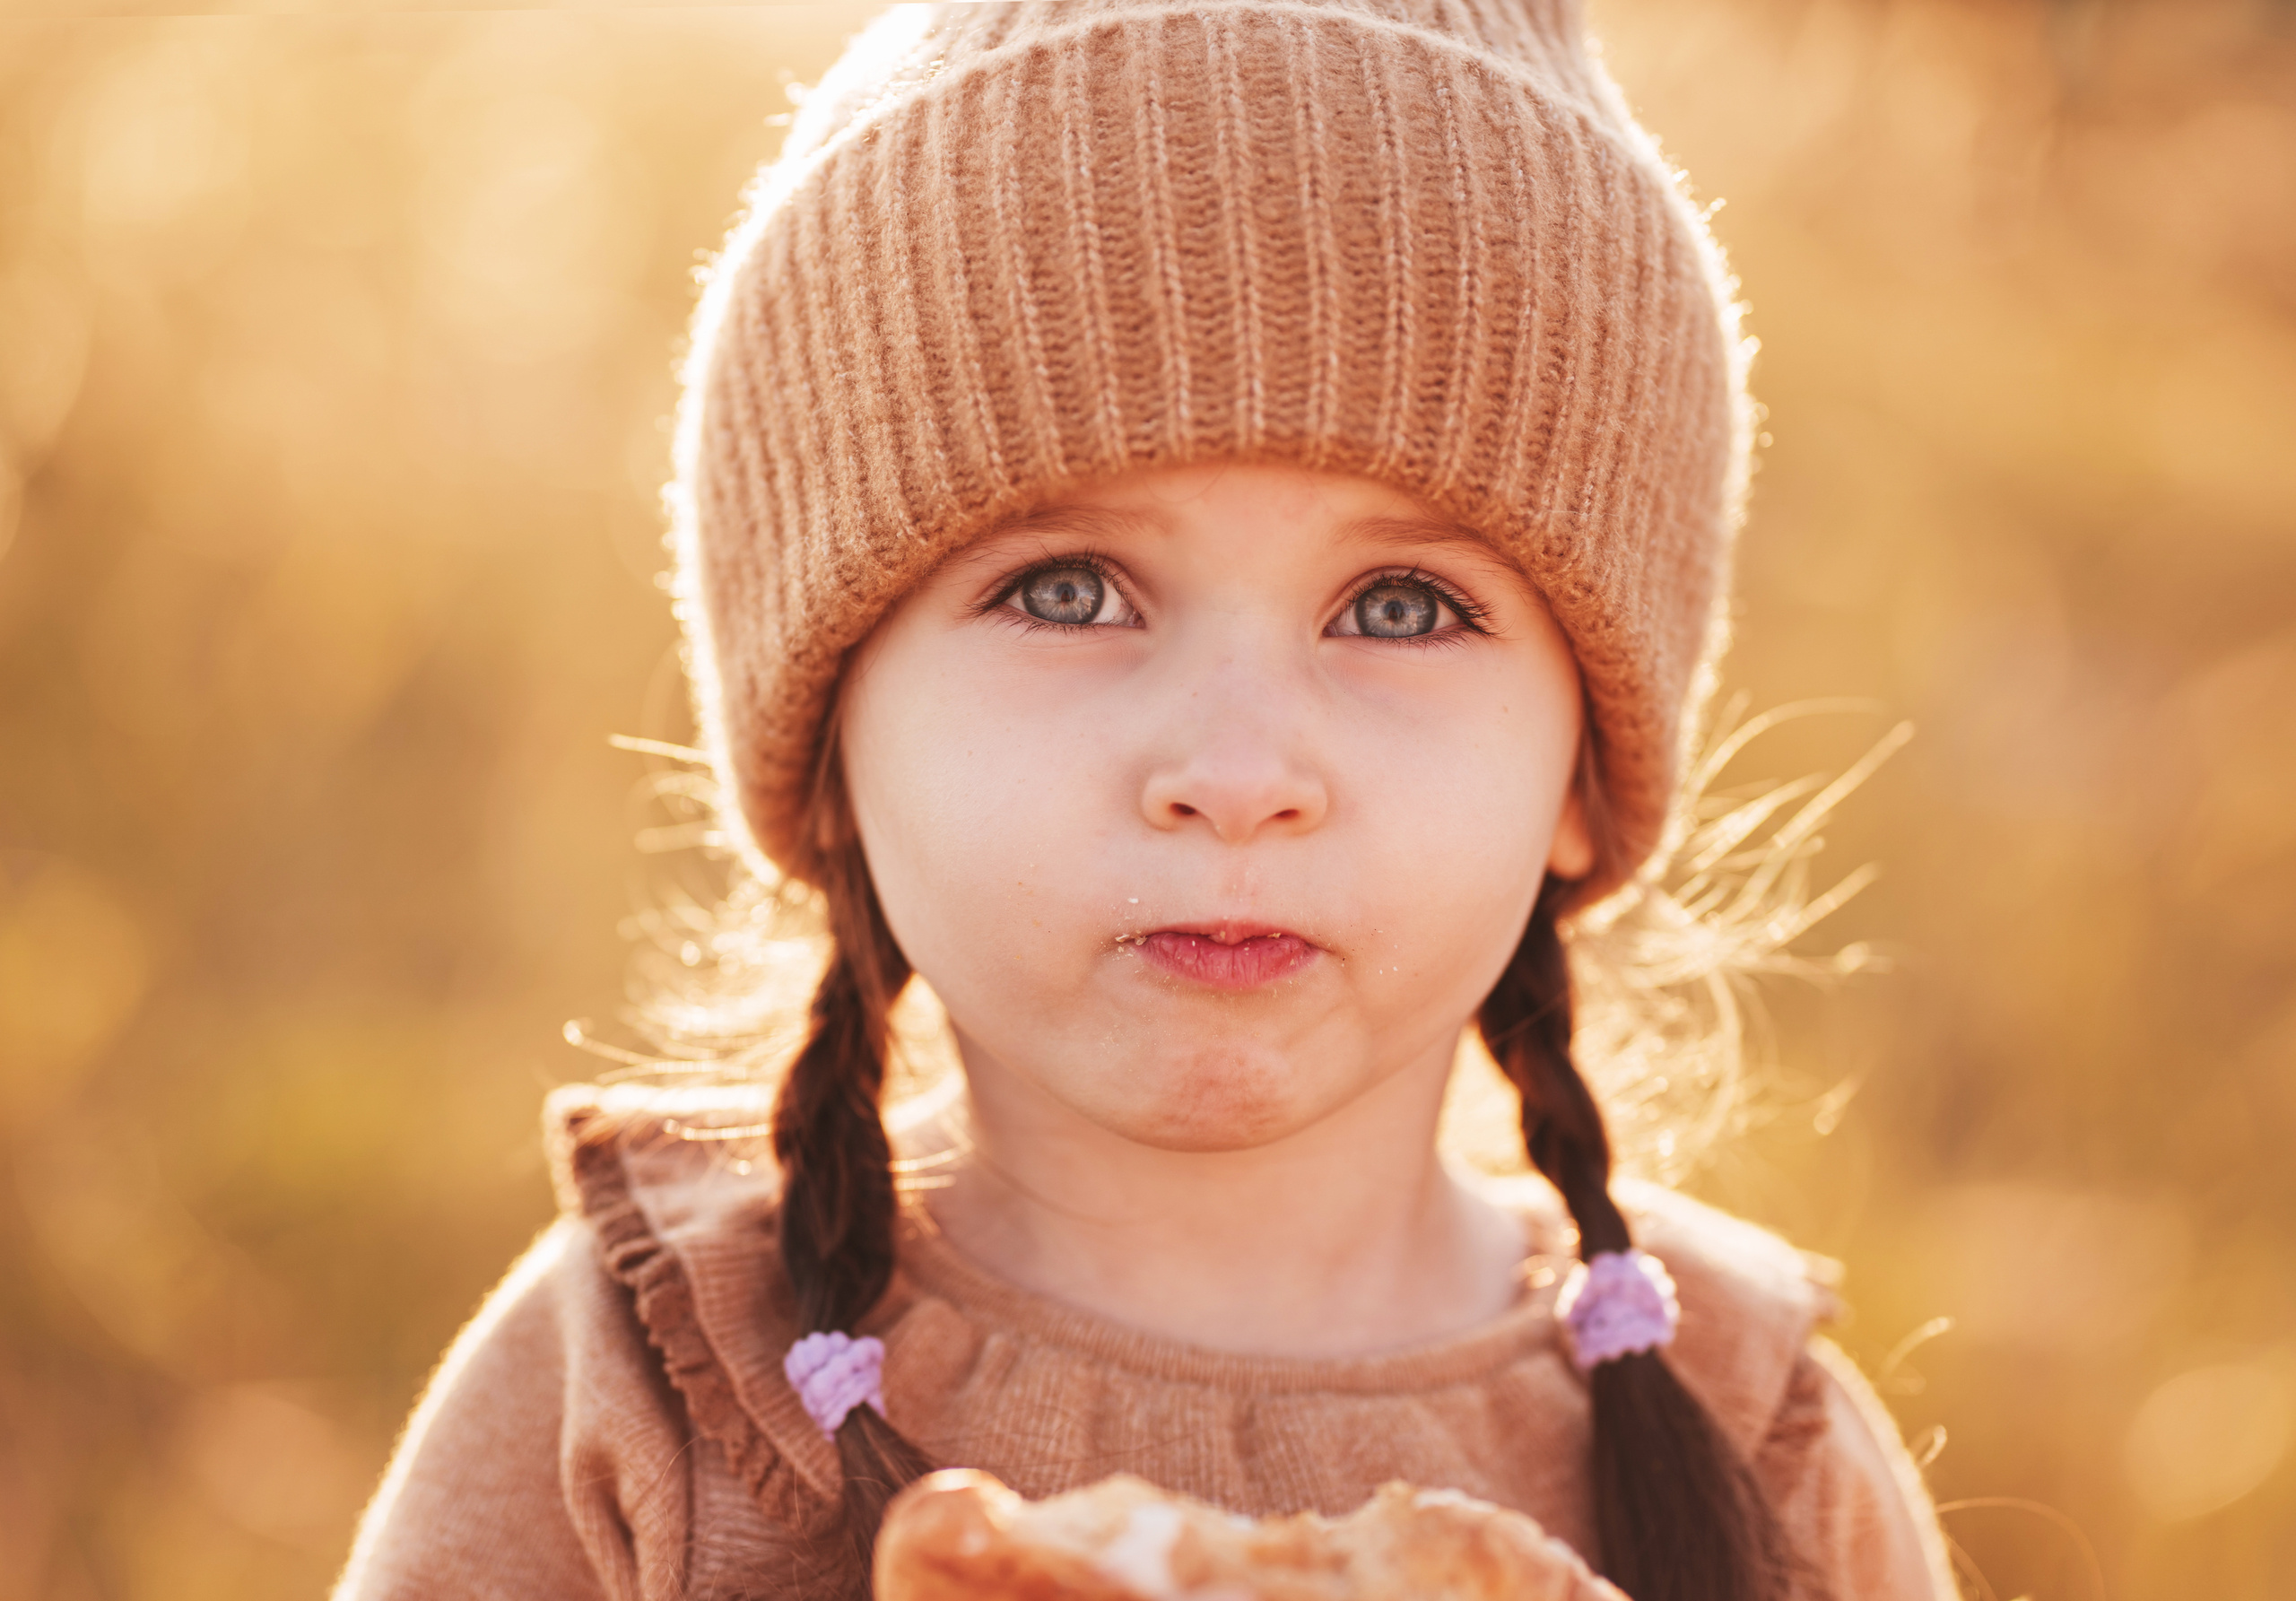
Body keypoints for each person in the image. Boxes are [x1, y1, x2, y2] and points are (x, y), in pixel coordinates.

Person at [333, 3, 1958, 1598]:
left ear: (1584, 778)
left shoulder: (1758, 1441)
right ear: (831, 740)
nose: (1237, 774)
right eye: (1066, 589)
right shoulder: (647, 1392)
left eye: (1399, 607)